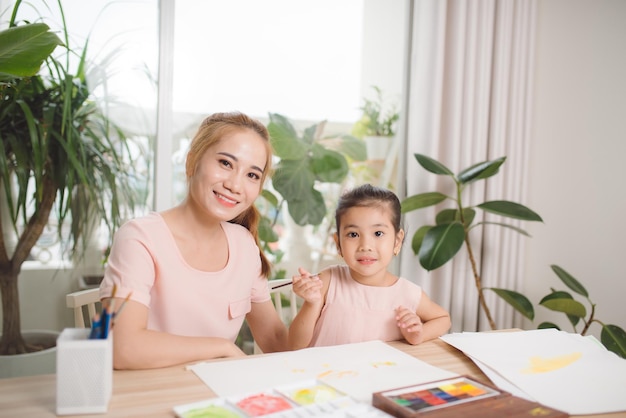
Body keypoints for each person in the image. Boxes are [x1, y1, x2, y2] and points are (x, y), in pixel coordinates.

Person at [99, 111, 289, 369]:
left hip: (213, 395)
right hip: (148, 395)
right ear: (192, 162)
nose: (235, 184)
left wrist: (317, 307)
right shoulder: (140, 238)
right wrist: (221, 348)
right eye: (225, 163)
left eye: (252, 175)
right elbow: (123, 348)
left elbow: (275, 338)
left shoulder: (244, 244)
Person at [288, 183, 451, 349]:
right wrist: (311, 303)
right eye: (353, 234)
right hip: (325, 373)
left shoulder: (407, 293)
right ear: (338, 243)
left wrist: (419, 334)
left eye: (378, 233)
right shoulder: (328, 282)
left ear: (397, 241)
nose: (365, 245)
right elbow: (294, 345)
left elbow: (443, 319)